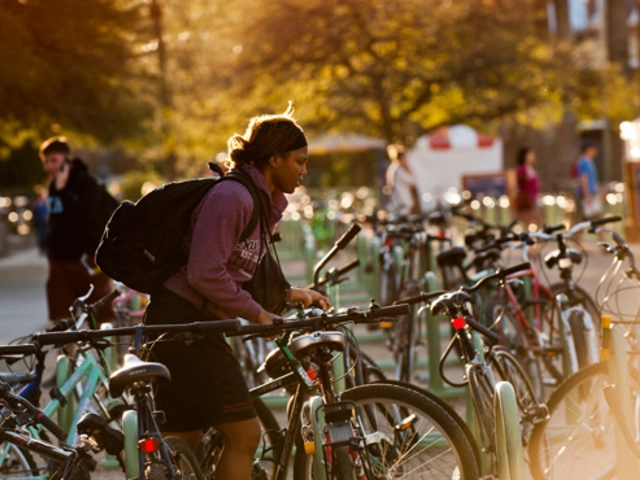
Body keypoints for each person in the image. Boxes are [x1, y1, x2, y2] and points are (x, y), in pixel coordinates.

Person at [144, 106, 330, 480]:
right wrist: (259, 315)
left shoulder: (260, 202)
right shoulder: (234, 197)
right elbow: (204, 272)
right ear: (274, 158)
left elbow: (238, 269)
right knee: (245, 436)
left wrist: (292, 294)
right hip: (183, 324)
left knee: (185, 441)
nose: (304, 171)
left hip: (192, 323)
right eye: (299, 161)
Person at [39, 137, 115, 324]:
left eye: (54, 160)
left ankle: (108, 351)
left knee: (101, 315)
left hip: (86, 259)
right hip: (59, 261)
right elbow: (56, 221)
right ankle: (68, 353)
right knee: (61, 317)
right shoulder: (54, 187)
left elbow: (83, 217)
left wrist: (63, 190)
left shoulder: (87, 183)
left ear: (68, 159)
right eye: (46, 162)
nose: (50, 166)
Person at [574, 140, 605, 242]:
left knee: (594, 220)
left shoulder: (589, 162)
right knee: (586, 221)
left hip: (592, 195)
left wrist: (600, 191)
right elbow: (583, 179)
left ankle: (602, 242)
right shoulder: (584, 162)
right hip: (587, 196)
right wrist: (587, 195)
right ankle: (579, 243)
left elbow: (593, 180)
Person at [384, 144, 420, 217]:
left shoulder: (393, 168)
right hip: (401, 203)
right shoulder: (399, 171)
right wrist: (410, 169)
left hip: (398, 203)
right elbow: (413, 182)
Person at [512, 147, 544, 227]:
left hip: (533, 198)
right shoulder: (521, 169)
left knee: (537, 221)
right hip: (526, 199)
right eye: (530, 154)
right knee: (532, 220)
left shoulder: (530, 168)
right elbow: (518, 181)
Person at [32, 187, 49, 255]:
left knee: (45, 235)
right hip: (39, 222)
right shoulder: (36, 204)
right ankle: (42, 248)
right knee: (40, 235)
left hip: (44, 222)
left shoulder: (44, 203)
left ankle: (44, 248)